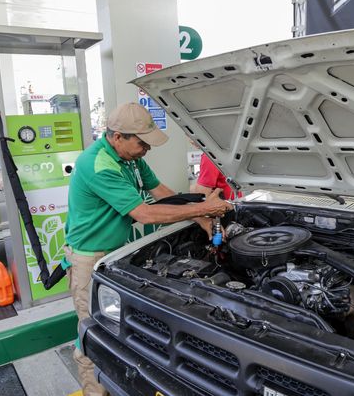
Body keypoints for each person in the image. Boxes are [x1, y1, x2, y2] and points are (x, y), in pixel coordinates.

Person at [64, 102, 233, 396]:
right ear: (118, 137)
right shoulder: (98, 164)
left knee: (124, 330)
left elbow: (163, 193)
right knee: (96, 329)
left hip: (117, 255)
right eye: (142, 143)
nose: (147, 149)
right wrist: (206, 205)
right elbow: (143, 213)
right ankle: (94, 391)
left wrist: (202, 217)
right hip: (89, 259)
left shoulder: (131, 159)